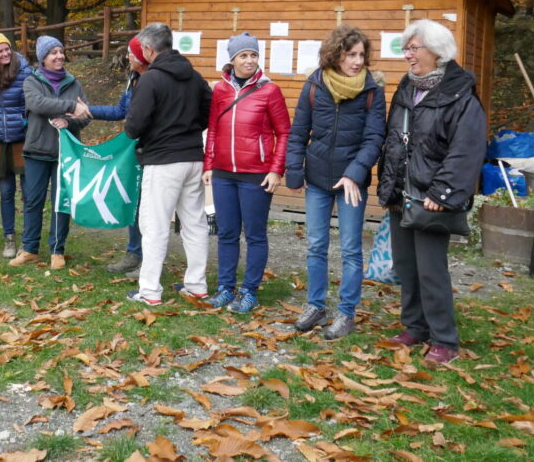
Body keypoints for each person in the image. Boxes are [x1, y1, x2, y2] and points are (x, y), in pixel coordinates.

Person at [376, 19, 485, 364]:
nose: (407, 55)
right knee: (406, 266)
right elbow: (395, 139)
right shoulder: (407, 89)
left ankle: (444, 339)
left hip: (430, 198)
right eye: (405, 48)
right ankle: (415, 326)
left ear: (437, 51)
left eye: (413, 48)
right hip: (401, 194)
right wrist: (389, 183)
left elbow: (466, 149)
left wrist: (441, 193)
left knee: (431, 270)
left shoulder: (460, 94)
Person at [286, 24, 387, 339]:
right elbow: (299, 131)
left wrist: (354, 173)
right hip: (317, 179)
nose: (357, 61)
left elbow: (374, 139)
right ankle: (316, 306)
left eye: (361, 55)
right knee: (316, 245)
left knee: (350, 250)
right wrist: (294, 170)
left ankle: (346, 313)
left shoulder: (372, 91)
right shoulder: (314, 86)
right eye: (350, 54)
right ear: (335, 54)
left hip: (352, 184)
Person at [124, 22, 212, 306]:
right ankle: (197, 285)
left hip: (162, 161)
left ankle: (149, 291)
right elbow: (208, 112)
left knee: (154, 226)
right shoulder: (194, 77)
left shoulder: (151, 79)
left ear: (149, 50)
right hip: (192, 157)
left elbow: (134, 125)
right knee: (195, 224)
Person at [202, 33, 291, 313]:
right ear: (232, 59)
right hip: (224, 174)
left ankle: (249, 291)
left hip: (257, 174)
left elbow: (284, 133)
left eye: (253, 55)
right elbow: (213, 129)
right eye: (243, 55)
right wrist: (209, 164)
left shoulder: (269, 90)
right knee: (227, 233)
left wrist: (276, 170)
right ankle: (225, 289)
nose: (250, 60)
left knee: (254, 235)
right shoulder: (220, 90)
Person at [10, 36, 90, 270]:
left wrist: (70, 123)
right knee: (33, 201)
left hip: (65, 153)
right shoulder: (31, 81)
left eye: (61, 51)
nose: (59, 56)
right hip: (36, 150)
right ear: (43, 57)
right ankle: (29, 249)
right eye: (53, 52)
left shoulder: (74, 83)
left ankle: (57, 250)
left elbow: (85, 115)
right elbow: (37, 104)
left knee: (60, 203)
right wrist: (69, 107)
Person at [83, 37, 149, 276]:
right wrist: (89, 110)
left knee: (148, 208)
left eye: (131, 55)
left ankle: (149, 261)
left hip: (154, 151)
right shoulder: (132, 79)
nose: (127, 58)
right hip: (133, 150)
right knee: (134, 201)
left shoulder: (154, 80)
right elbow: (121, 110)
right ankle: (134, 254)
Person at [0, 33, 31, 258]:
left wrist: (24, 122)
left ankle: (29, 240)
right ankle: (9, 237)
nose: (5, 54)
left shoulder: (24, 72)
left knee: (28, 192)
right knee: (6, 192)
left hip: (22, 139)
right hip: (0, 140)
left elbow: (31, 102)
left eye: (7, 49)